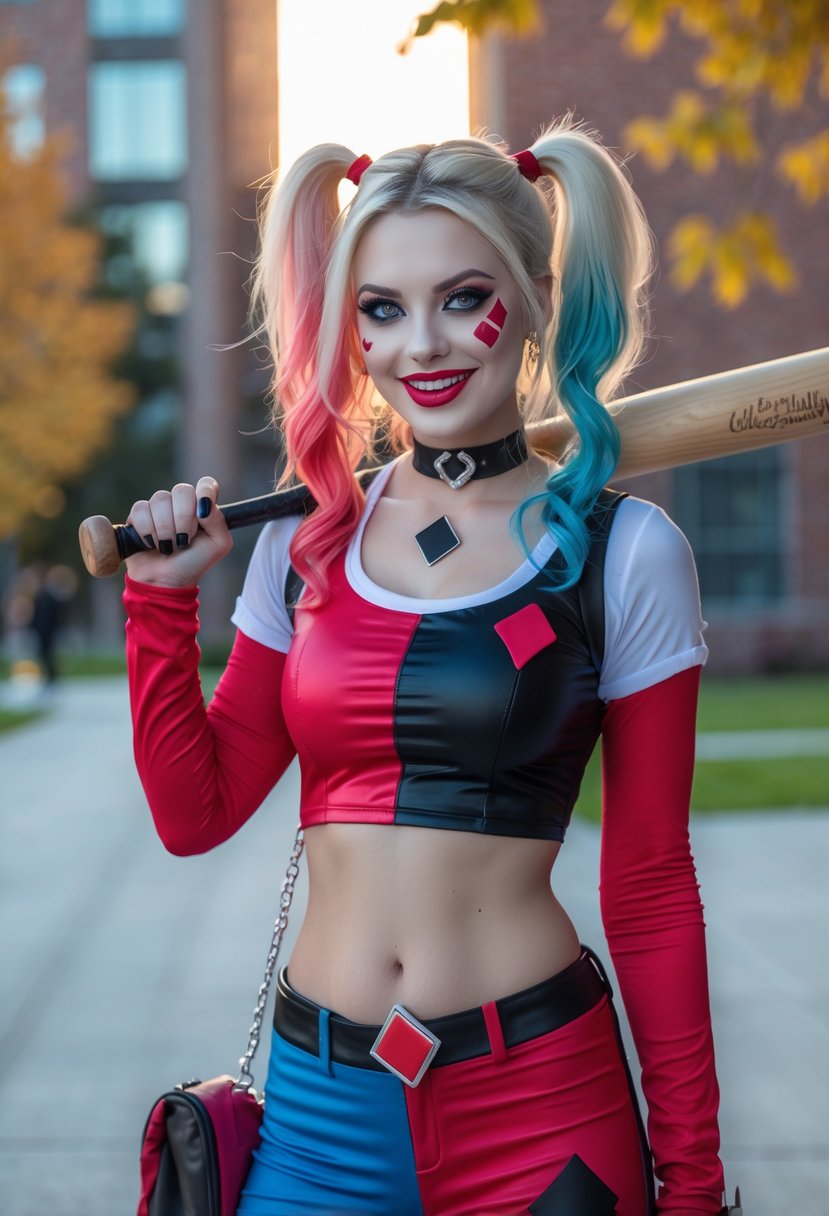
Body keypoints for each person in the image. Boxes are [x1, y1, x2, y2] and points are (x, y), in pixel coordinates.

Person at [122, 118, 728, 1215]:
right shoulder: (303, 546)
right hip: (319, 1120)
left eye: (462, 297)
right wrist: (158, 607)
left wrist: (690, 1183)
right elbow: (193, 812)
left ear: (534, 296)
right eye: (381, 310)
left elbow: (647, 888)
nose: (423, 346)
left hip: (540, 1107)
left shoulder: (623, 553)